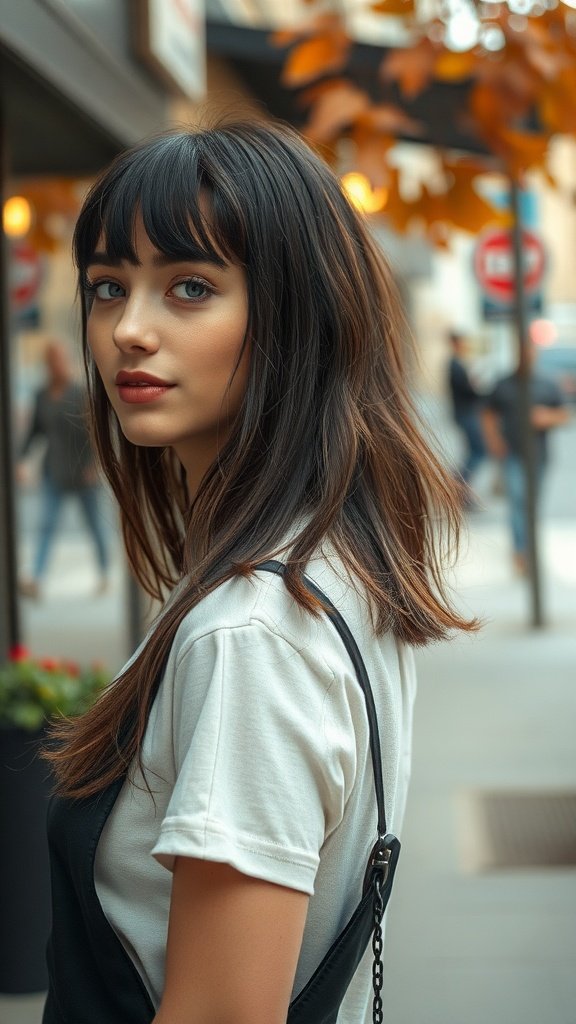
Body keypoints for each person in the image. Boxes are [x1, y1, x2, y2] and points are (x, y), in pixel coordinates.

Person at [42, 122, 475, 1024]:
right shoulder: (331, 566)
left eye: (190, 287)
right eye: (108, 287)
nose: (128, 329)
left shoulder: (255, 632)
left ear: (295, 312)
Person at [17, 340, 110, 598]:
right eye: (53, 360)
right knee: (46, 524)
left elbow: (96, 432)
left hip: (83, 472)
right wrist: (20, 460)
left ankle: (103, 572)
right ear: (47, 364)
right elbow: (35, 431)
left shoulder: (80, 393)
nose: (58, 364)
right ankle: (36, 577)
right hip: (53, 471)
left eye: (61, 359)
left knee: (94, 525)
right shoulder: (41, 395)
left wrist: (94, 465)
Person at [482, 345, 569, 574]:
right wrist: (493, 440)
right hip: (512, 453)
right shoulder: (503, 384)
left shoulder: (547, 384)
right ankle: (522, 552)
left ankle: (527, 547)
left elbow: (565, 415)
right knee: (518, 502)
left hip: (539, 456)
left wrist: (547, 417)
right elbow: (488, 414)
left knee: (531, 504)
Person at [446, 329, 486, 501]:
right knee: (478, 451)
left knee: (474, 451)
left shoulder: (459, 363)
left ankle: (460, 486)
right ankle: (458, 483)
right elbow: (467, 390)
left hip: (466, 413)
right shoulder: (455, 365)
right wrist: (476, 385)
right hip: (466, 413)